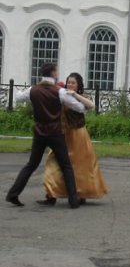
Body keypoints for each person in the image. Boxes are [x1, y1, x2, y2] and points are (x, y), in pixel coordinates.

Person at [5, 63, 85, 208]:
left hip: (40, 132)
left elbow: (18, 97)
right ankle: (73, 200)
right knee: (66, 165)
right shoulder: (59, 92)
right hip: (55, 132)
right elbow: (80, 108)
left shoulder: (33, 90)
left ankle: (13, 194)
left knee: (31, 165)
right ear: (53, 73)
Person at [38, 73, 108, 205]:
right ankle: (51, 194)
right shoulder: (62, 95)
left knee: (80, 166)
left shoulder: (81, 97)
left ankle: (81, 194)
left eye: (73, 83)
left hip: (78, 136)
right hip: (62, 134)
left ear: (78, 85)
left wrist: (75, 95)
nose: (70, 85)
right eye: (68, 82)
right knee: (53, 161)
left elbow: (91, 105)